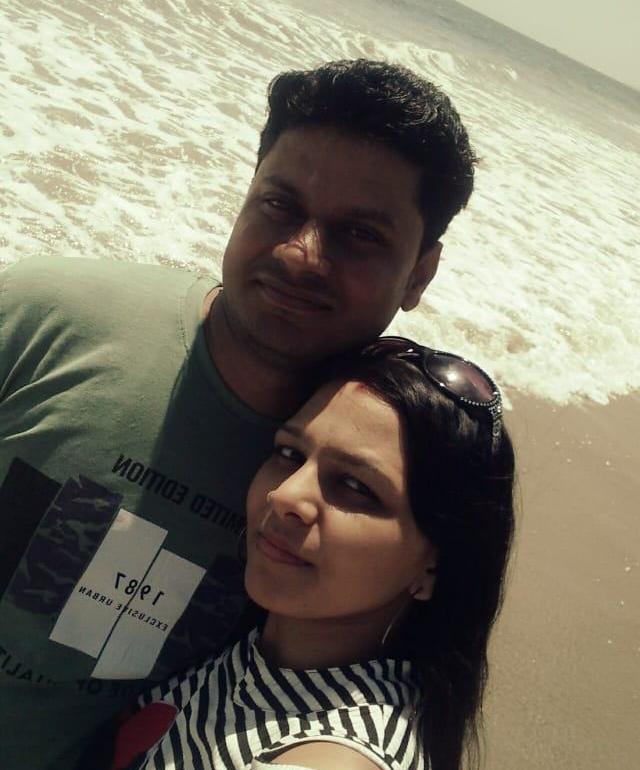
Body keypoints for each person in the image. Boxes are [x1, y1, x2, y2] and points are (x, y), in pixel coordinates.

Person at [0, 60, 477, 769]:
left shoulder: (383, 474)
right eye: (280, 205)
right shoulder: (44, 317)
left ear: (420, 273)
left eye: (361, 235)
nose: (302, 255)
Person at [109, 337, 515, 770]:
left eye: (356, 486)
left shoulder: (335, 756)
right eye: (290, 453)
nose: (286, 494)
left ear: (435, 563)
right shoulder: (262, 653)